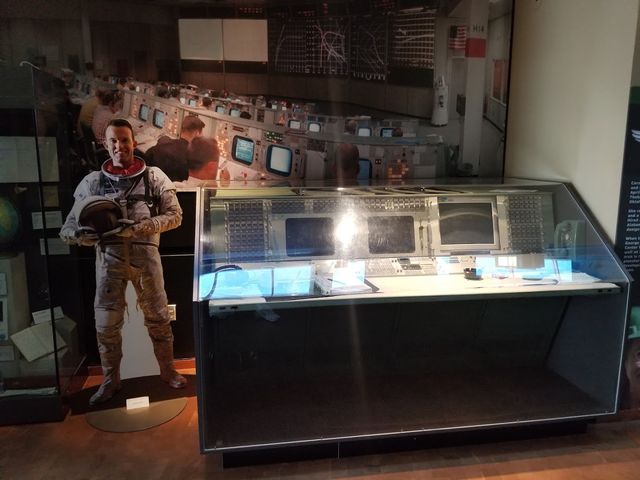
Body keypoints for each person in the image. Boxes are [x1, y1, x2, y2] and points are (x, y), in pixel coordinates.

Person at [59, 118, 186, 405]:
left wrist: (140, 228)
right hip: (109, 262)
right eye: (113, 141)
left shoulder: (154, 177)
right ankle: (110, 381)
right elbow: (67, 228)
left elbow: (175, 215)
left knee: (159, 319)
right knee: (106, 326)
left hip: (146, 259)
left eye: (124, 140)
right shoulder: (92, 182)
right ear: (105, 144)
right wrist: (82, 236)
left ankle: (168, 372)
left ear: (133, 142)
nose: (119, 146)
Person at [145, 115, 205, 182]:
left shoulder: (160, 146)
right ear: (197, 133)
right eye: (201, 134)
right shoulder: (192, 158)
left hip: (153, 184)